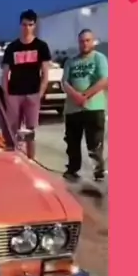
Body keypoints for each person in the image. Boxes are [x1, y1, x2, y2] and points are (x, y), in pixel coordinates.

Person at [2, 9, 51, 159]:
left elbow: (45, 73)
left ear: (34, 25)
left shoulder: (41, 46)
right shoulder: (12, 48)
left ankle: (30, 160)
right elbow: (5, 74)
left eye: (30, 25)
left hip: (32, 93)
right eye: (24, 25)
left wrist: (40, 94)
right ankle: (13, 158)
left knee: (30, 131)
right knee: (12, 130)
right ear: (20, 25)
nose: (27, 28)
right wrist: (6, 95)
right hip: (14, 94)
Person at [62, 29, 108, 182]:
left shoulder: (99, 58)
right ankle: (72, 169)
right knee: (72, 142)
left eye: (88, 40)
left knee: (95, 143)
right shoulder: (71, 62)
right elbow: (65, 82)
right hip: (73, 109)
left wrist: (85, 96)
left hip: (94, 107)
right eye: (82, 41)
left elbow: (104, 80)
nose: (84, 44)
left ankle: (98, 172)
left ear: (93, 41)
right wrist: (75, 96)